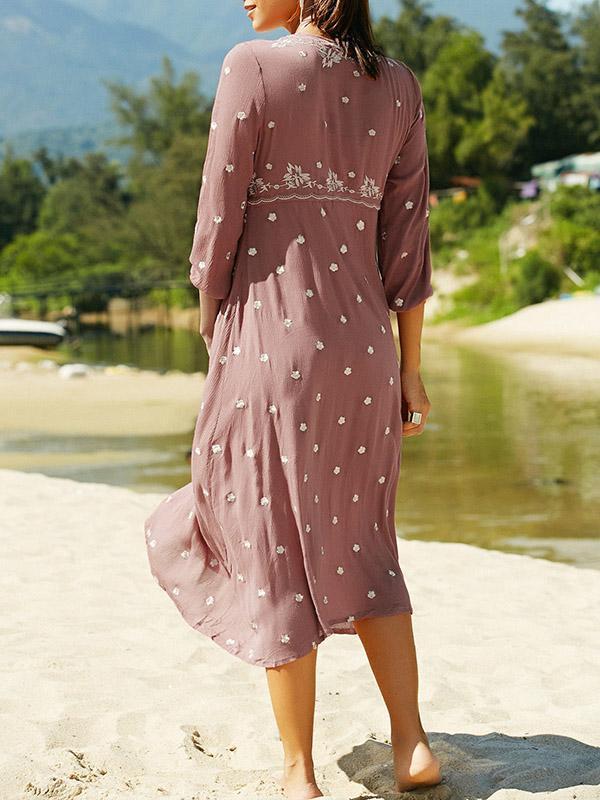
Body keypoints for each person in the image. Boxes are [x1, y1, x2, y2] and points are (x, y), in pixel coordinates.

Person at [144, 0, 441, 797]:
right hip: (366, 354)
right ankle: (411, 745)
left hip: (268, 346)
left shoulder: (251, 67)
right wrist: (411, 370)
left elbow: (218, 219)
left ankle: (300, 771)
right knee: (368, 543)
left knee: (269, 546)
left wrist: (213, 327)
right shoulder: (400, 86)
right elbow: (408, 243)